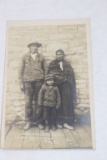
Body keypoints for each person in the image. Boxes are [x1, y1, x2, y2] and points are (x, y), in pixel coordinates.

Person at [19, 42, 47, 130]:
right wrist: (21, 82)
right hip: (27, 82)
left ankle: (39, 121)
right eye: (33, 46)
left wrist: (45, 82)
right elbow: (20, 70)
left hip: (39, 81)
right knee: (28, 102)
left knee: (39, 101)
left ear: (38, 48)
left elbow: (45, 69)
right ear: (30, 47)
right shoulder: (24, 57)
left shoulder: (42, 57)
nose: (34, 48)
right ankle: (28, 121)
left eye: (36, 46)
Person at [48, 49, 76, 130]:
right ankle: (58, 122)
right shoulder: (52, 64)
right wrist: (60, 79)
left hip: (66, 87)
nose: (59, 56)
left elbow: (71, 76)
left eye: (60, 54)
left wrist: (66, 81)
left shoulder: (67, 64)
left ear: (63, 55)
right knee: (57, 103)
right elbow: (50, 74)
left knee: (66, 103)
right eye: (57, 54)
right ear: (55, 55)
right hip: (56, 86)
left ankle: (66, 122)